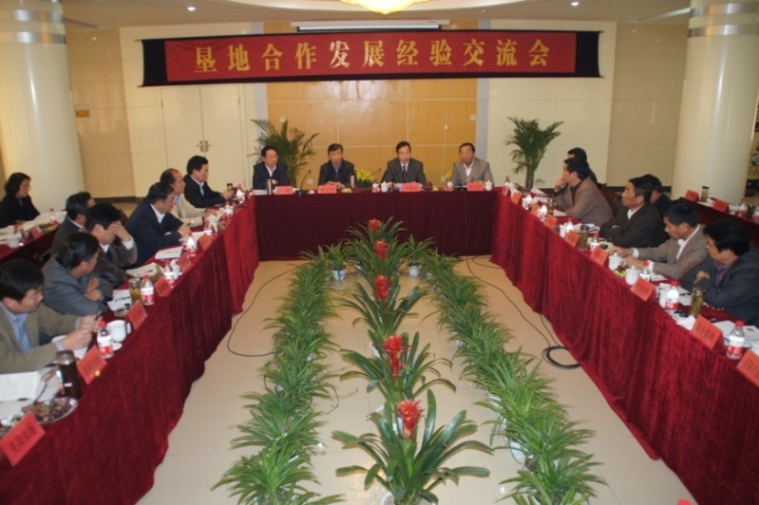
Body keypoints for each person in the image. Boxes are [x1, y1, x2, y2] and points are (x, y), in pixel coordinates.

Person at [0, 259, 95, 373]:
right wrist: (62, 346)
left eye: (40, 291)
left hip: (37, 369)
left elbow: (54, 322)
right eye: (35, 296)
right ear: (9, 302)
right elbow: (10, 364)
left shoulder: (31, 306)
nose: (41, 297)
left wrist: (79, 323)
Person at [681, 220, 759, 325]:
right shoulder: (716, 254)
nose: (706, 247)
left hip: (742, 323)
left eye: (710, 245)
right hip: (717, 314)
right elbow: (687, 278)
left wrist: (703, 280)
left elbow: (718, 299)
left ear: (727, 251)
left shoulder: (751, 269)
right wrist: (711, 296)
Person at [612, 201, 707, 279]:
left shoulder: (703, 243)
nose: (666, 230)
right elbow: (657, 253)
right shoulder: (679, 234)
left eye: (669, 226)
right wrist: (629, 251)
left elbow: (678, 271)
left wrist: (643, 264)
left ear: (684, 227)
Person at [126, 182, 190, 266]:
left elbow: (176, 223)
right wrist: (178, 234)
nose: (174, 202)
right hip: (142, 262)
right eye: (171, 200)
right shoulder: (141, 218)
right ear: (159, 203)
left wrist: (181, 227)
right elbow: (154, 243)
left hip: (156, 254)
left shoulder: (161, 210)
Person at [42, 233, 106, 316]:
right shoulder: (57, 284)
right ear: (83, 265)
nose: (96, 261)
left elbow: (106, 284)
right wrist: (85, 298)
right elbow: (92, 311)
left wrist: (97, 293)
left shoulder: (76, 261)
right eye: (95, 258)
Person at [84, 203, 138, 298]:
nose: (117, 232)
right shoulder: (86, 247)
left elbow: (129, 261)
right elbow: (115, 277)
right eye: (114, 228)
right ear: (97, 229)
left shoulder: (105, 242)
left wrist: (126, 238)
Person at [600, 176, 667, 248]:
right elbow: (604, 228)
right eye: (624, 190)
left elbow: (624, 242)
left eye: (627, 191)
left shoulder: (648, 217)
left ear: (639, 199)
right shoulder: (624, 208)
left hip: (643, 254)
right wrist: (619, 233)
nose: (622, 194)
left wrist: (614, 229)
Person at [553, 158, 611, 225]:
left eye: (564, 170)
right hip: (583, 224)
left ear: (574, 174)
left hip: (598, 228)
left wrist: (564, 213)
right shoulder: (572, 185)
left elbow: (575, 214)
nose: (562, 174)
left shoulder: (587, 189)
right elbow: (565, 206)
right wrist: (557, 190)